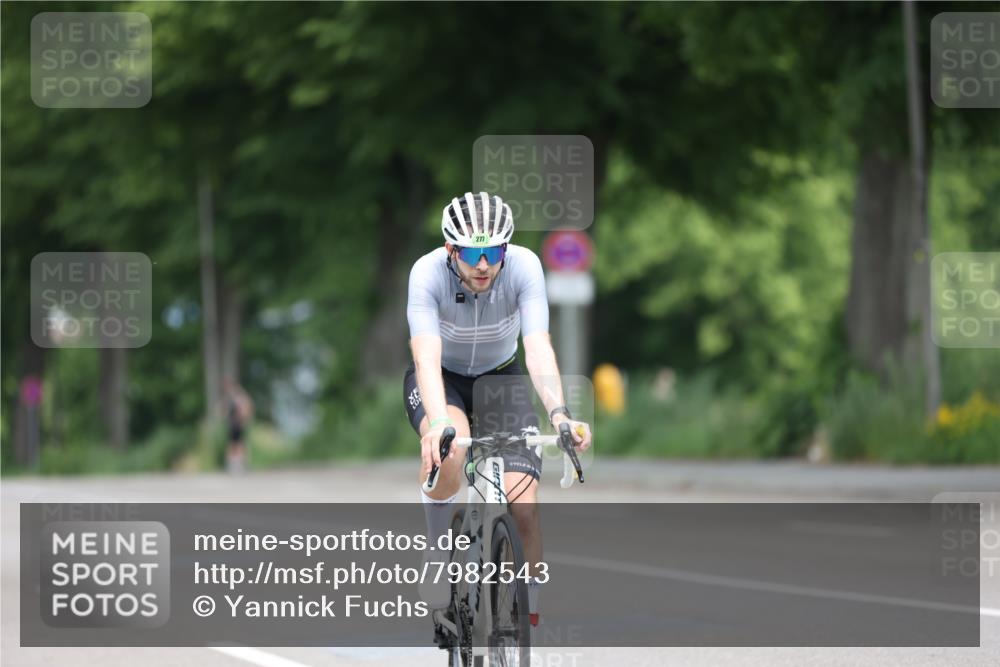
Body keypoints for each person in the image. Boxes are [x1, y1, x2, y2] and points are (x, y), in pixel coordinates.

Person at [404, 191, 592, 626]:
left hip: (501, 376)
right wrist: (436, 424)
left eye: (494, 251)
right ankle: (438, 555)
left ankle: (525, 617)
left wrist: (559, 413)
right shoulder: (426, 274)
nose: (485, 264)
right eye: (473, 253)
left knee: (524, 504)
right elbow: (425, 358)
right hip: (442, 379)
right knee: (449, 451)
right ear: (452, 250)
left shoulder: (525, 266)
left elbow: (538, 348)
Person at [223, 378, 254, 474]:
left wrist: (244, 419)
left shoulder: (237, 397)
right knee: (236, 444)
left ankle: (238, 465)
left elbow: (245, 409)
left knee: (237, 445)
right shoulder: (235, 397)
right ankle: (236, 465)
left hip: (236, 424)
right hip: (235, 424)